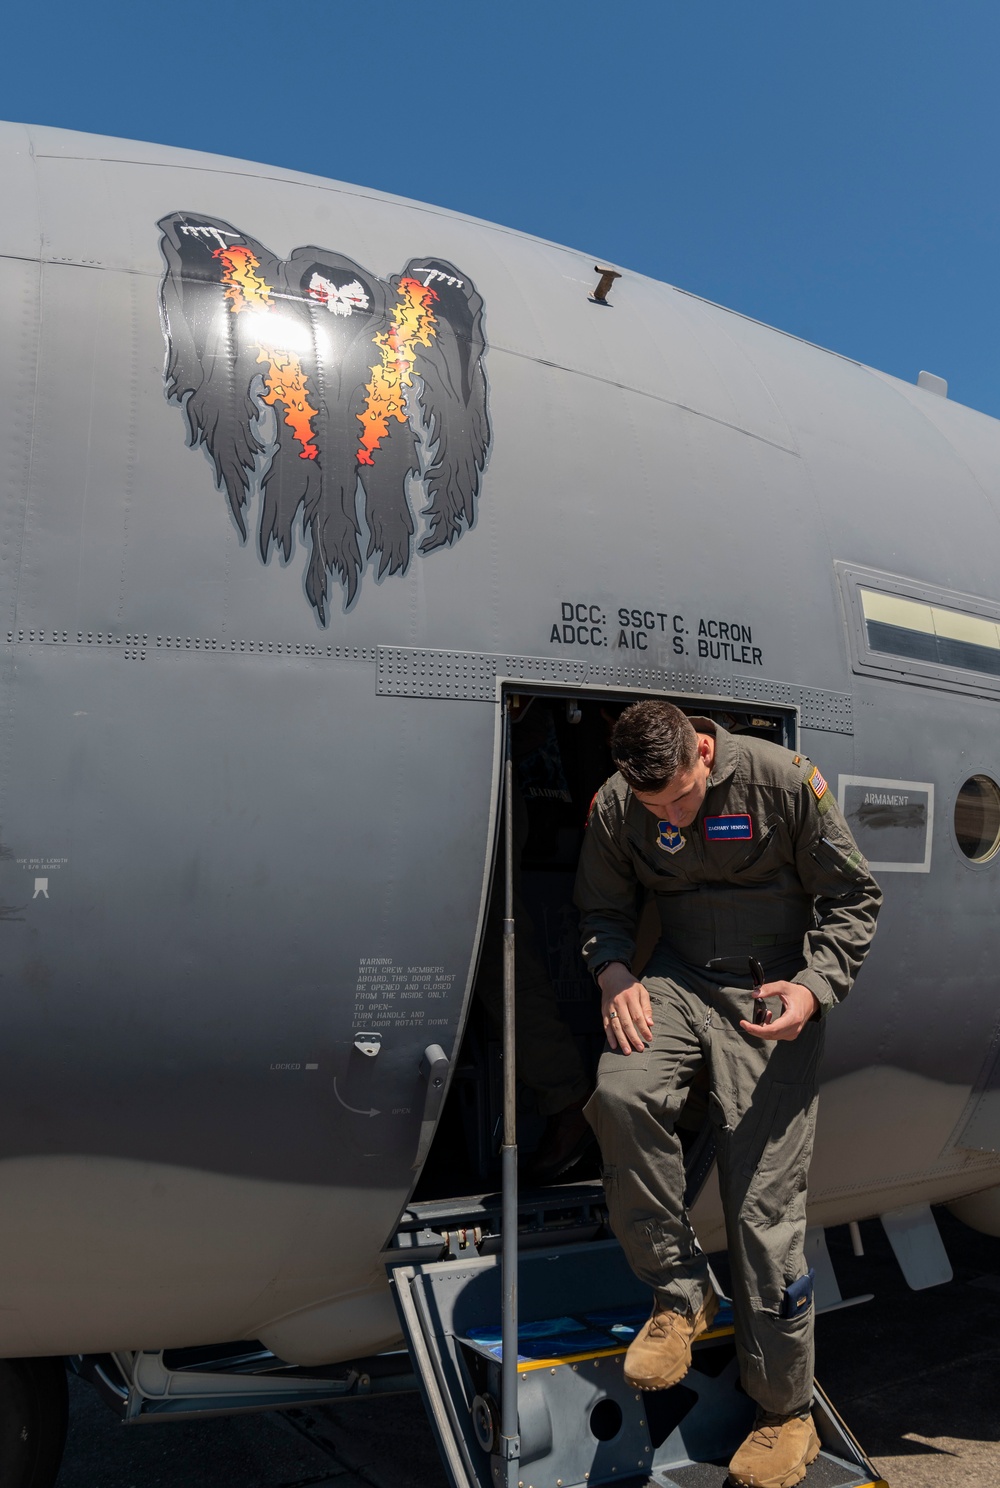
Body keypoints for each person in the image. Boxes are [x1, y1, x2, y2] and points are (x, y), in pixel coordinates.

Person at [574, 700, 881, 1488]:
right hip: (675, 978)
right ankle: (678, 1297)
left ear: (704, 752)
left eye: (682, 796)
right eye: (656, 807)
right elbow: (603, 907)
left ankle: (786, 1412)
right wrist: (612, 971)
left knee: (761, 1208)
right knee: (619, 1094)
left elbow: (853, 899)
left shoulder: (782, 782)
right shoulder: (619, 802)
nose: (671, 813)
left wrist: (813, 990)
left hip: (768, 989)